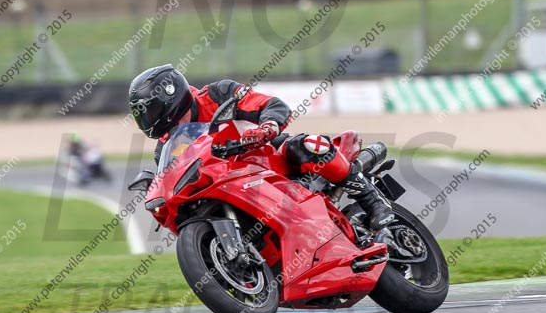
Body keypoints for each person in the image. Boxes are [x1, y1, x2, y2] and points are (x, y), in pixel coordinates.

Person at [128, 64, 402, 255]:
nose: (147, 118)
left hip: (267, 157)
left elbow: (271, 104)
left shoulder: (217, 94)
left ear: (168, 96)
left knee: (304, 145)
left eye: (148, 110)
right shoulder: (165, 146)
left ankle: (374, 203)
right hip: (227, 185)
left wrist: (267, 126)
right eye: (141, 113)